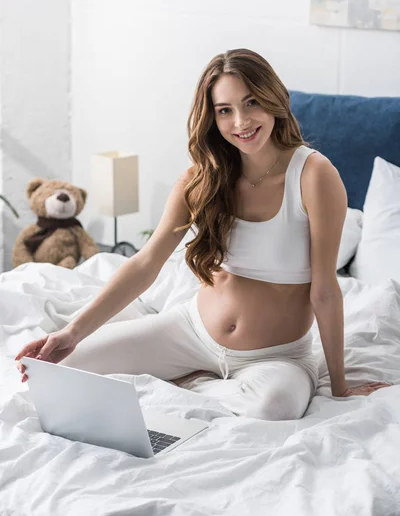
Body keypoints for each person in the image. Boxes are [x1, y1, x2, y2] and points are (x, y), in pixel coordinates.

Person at [15, 48, 392, 420]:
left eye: (251, 103)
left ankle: (193, 384)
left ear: (273, 100)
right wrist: (70, 333)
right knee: (60, 369)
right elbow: (146, 263)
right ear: (212, 117)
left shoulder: (314, 175)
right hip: (191, 332)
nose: (241, 121)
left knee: (274, 408)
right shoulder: (203, 177)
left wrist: (340, 387)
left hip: (277, 356)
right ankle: (192, 375)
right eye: (225, 110)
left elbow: (325, 290)